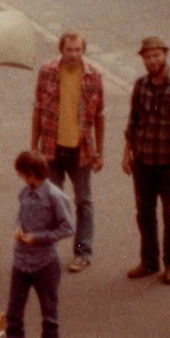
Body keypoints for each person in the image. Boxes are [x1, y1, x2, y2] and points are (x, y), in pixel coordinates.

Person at [122, 36, 170, 285]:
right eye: (147, 56)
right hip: (143, 162)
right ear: (142, 58)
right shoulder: (141, 85)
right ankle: (149, 261)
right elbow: (133, 122)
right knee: (144, 213)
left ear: (165, 55)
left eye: (156, 55)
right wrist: (127, 154)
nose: (152, 60)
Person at [31, 30, 105, 273]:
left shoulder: (93, 75)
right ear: (60, 49)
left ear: (84, 50)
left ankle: (83, 252)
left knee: (83, 202)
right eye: (69, 49)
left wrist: (100, 152)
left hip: (80, 150)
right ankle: (46, 252)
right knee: (49, 201)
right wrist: (34, 147)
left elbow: (99, 116)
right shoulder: (47, 71)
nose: (73, 54)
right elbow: (39, 109)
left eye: (78, 50)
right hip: (51, 148)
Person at [4, 151, 75, 338]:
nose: (21, 178)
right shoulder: (24, 192)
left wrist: (38, 237)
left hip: (45, 263)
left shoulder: (55, 196)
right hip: (21, 261)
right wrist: (18, 228)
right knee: (14, 313)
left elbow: (68, 228)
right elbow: (20, 216)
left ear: (32, 174)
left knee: (49, 313)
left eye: (22, 174)